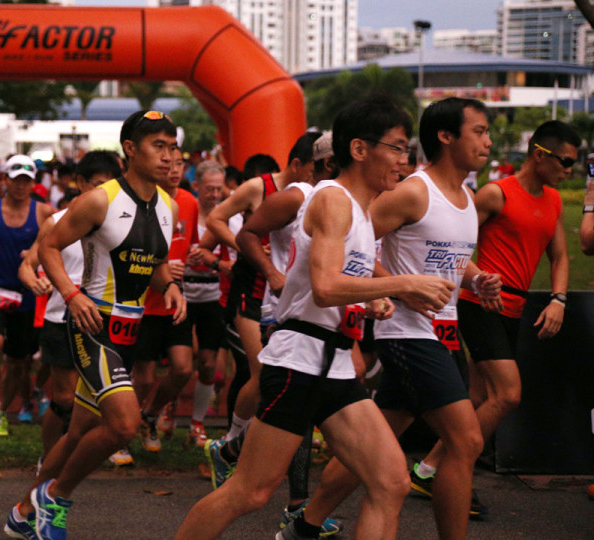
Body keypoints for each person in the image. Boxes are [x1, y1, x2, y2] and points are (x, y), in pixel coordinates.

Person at [173, 95, 455, 540]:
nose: (405, 161)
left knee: (391, 481)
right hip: (299, 363)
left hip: (335, 364)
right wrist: (403, 284)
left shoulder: (361, 210)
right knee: (250, 492)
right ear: (359, 149)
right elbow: (325, 288)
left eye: (407, 150)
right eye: (397, 148)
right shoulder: (333, 200)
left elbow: (335, 285)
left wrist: (372, 300)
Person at [300, 97, 504, 540]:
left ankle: (305, 522)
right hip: (407, 334)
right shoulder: (414, 191)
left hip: (445, 333)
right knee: (465, 441)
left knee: (375, 443)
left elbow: (450, 257)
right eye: (480, 131)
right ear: (446, 136)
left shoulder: (467, 198)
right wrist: (396, 286)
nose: (488, 142)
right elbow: (355, 239)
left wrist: (475, 279)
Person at [4, 110, 184, 540]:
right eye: (158, 146)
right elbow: (48, 246)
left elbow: (153, 263)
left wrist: (170, 286)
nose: (168, 156)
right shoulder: (100, 200)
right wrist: (72, 293)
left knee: (78, 433)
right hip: (92, 326)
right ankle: (55, 497)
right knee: (124, 425)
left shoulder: (169, 206)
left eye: (172, 147)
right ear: (130, 149)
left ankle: (22, 511)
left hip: (129, 331)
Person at [409, 120, 576, 514]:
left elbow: (560, 257)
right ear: (540, 155)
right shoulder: (496, 194)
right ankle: (453, 472)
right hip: (479, 303)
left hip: (515, 309)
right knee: (508, 394)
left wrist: (558, 300)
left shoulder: (553, 200)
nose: (570, 170)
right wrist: (479, 279)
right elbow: (455, 243)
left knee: (479, 397)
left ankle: (427, 469)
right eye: (565, 161)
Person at [219, 130, 343, 537]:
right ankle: (289, 499)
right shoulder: (285, 193)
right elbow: (231, 226)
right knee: (267, 384)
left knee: (297, 406)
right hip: (269, 305)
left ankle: (234, 452)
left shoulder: (345, 201)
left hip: (320, 322)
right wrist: (268, 269)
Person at [205, 132, 320, 452]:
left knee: (281, 376)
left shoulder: (318, 194)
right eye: (313, 170)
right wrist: (245, 248)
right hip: (251, 290)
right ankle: (228, 445)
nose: (317, 178)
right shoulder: (259, 187)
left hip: (287, 296)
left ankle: (258, 446)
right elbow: (216, 218)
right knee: (262, 373)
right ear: (296, 165)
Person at [17, 151, 123, 466]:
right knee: (64, 398)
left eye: (111, 186)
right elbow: (27, 265)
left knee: (102, 394)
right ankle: (49, 457)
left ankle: (90, 451)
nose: (104, 193)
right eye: (98, 184)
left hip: (105, 317)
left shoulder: (120, 222)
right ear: (80, 183)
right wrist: (34, 282)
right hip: (61, 316)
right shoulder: (57, 221)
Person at [0, 153, 53, 436]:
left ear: (33, 183)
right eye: (16, 180)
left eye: (26, 180)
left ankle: (1, 412)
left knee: (19, 362)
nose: (20, 185)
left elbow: (61, 242)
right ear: (5, 180)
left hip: (28, 295)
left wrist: (40, 257)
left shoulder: (44, 212)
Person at [132, 147, 198, 453]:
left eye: (180, 163)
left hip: (175, 301)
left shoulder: (190, 202)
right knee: (144, 379)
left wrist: (197, 256)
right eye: (168, 163)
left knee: (183, 369)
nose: (174, 169)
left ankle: (150, 415)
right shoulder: (143, 202)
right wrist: (160, 269)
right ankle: (122, 432)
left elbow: (191, 244)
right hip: (144, 302)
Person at [181, 160, 227, 448]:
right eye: (209, 189)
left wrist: (214, 261)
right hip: (183, 296)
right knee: (182, 364)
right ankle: (166, 407)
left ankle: (196, 423)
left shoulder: (230, 217)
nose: (214, 195)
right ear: (196, 186)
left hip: (213, 297)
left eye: (219, 189)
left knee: (209, 365)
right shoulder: (185, 214)